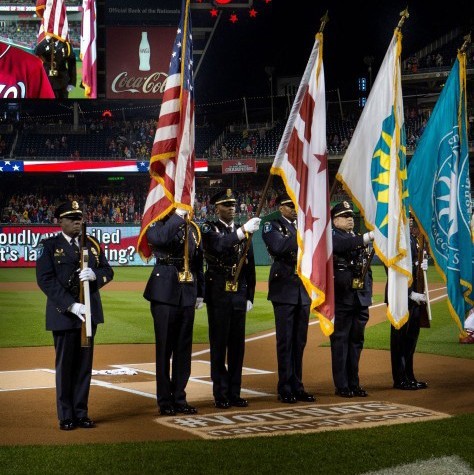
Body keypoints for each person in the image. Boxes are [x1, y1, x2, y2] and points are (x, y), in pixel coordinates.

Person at [36, 201, 113, 430]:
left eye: (79, 217)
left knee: (84, 367)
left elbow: (108, 271)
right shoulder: (49, 246)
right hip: (65, 314)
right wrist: (71, 305)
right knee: (65, 367)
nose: (78, 221)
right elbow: (45, 280)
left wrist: (95, 276)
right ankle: (66, 415)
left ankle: (81, 412)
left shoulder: (92, 244)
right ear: (60, 221)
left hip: (88, 314)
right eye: (72, 218)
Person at [201, 189, 261, 409]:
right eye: (226, 205)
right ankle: (221, 393)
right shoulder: (209, 228)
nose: (232, 208)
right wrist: (243, 231)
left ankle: (235, 392)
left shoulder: (243, 231)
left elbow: (250, 266)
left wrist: (250, 296)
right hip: (218, 294)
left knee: (238, 347)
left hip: (238, 295)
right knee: (219, 346)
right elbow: (218, 245)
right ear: (216, 208)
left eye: (234, 204)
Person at [143, 208, 204, 416]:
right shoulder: (156, 224)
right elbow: (160, 239)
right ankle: (164, 400)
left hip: (187, 292)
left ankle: (179, 397)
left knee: (183, 350)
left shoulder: (193, 228)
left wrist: (200, 293)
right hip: (164, 291)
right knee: (164, 350)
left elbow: (198, 263)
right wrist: (177, 217)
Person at [262, 192, 315, 404]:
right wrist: (304, 232)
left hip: (303, 289)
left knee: (299, 342)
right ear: (280, 208)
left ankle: (297, 385)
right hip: (284, 288)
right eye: (289, 205)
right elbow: (279, 247)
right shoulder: (272, 226)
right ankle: (284, 387)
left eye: (296, 205)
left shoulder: (298, 227)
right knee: (285, 341)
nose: (294, 209)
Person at [330, 200, 374, 398]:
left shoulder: (356, 237)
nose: (350, 220)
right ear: (335, 220)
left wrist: (367, 293)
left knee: (356, 342)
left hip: (359, 298)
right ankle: (342, 384)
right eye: (345, 216)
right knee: (340, 342)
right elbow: (343, 245)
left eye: (351, 217)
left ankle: (354, 382)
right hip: (342, 297)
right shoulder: (332, 236)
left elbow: (367, 268)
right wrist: (367, 237)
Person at [390, 214, 429, 389]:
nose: (411, 220)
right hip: (400, 297)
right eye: (407, 216)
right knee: (400, 340)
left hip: (413, 297)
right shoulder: (396, 240)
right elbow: (394, 270)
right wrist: (409, 293)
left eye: (412, 217)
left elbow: (412, 265)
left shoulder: (412, 239)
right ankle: (400, 379)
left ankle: (410, 376)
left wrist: (421, 265)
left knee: (411, 339)